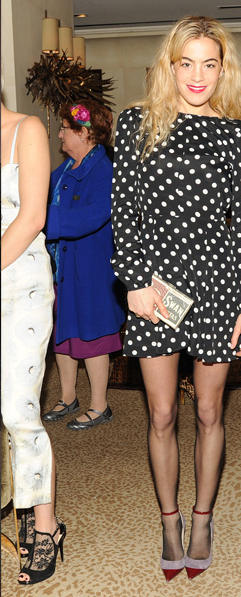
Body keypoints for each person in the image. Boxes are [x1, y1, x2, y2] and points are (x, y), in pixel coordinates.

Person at [111, 15, 241, 581]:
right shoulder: (136, 124)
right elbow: (124, 213)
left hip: (218, 286)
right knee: (160, 413)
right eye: (186, 63)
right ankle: (169, 519)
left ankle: (202, 518)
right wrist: (134, 281)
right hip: (156, 287)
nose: (197, 75)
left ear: (224, 70)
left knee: (208, 410)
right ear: (170, 66)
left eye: (209, 63)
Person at [1, 102, 66, 584]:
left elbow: (32, 217)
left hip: (21, 286)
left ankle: (46, 526)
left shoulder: (26, 130)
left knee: (19, 410)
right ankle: (19, 502)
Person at [42, 101, 125, 430]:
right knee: (63, 333)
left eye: (65, 128)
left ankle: (100, 405)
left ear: (85, 134)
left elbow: (89, 218)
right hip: (63, 267)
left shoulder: (104, 171)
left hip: (91, 271)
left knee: (92, 336)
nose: (60, 134)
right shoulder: (65, 168)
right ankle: (68, 397)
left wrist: (40, 220)